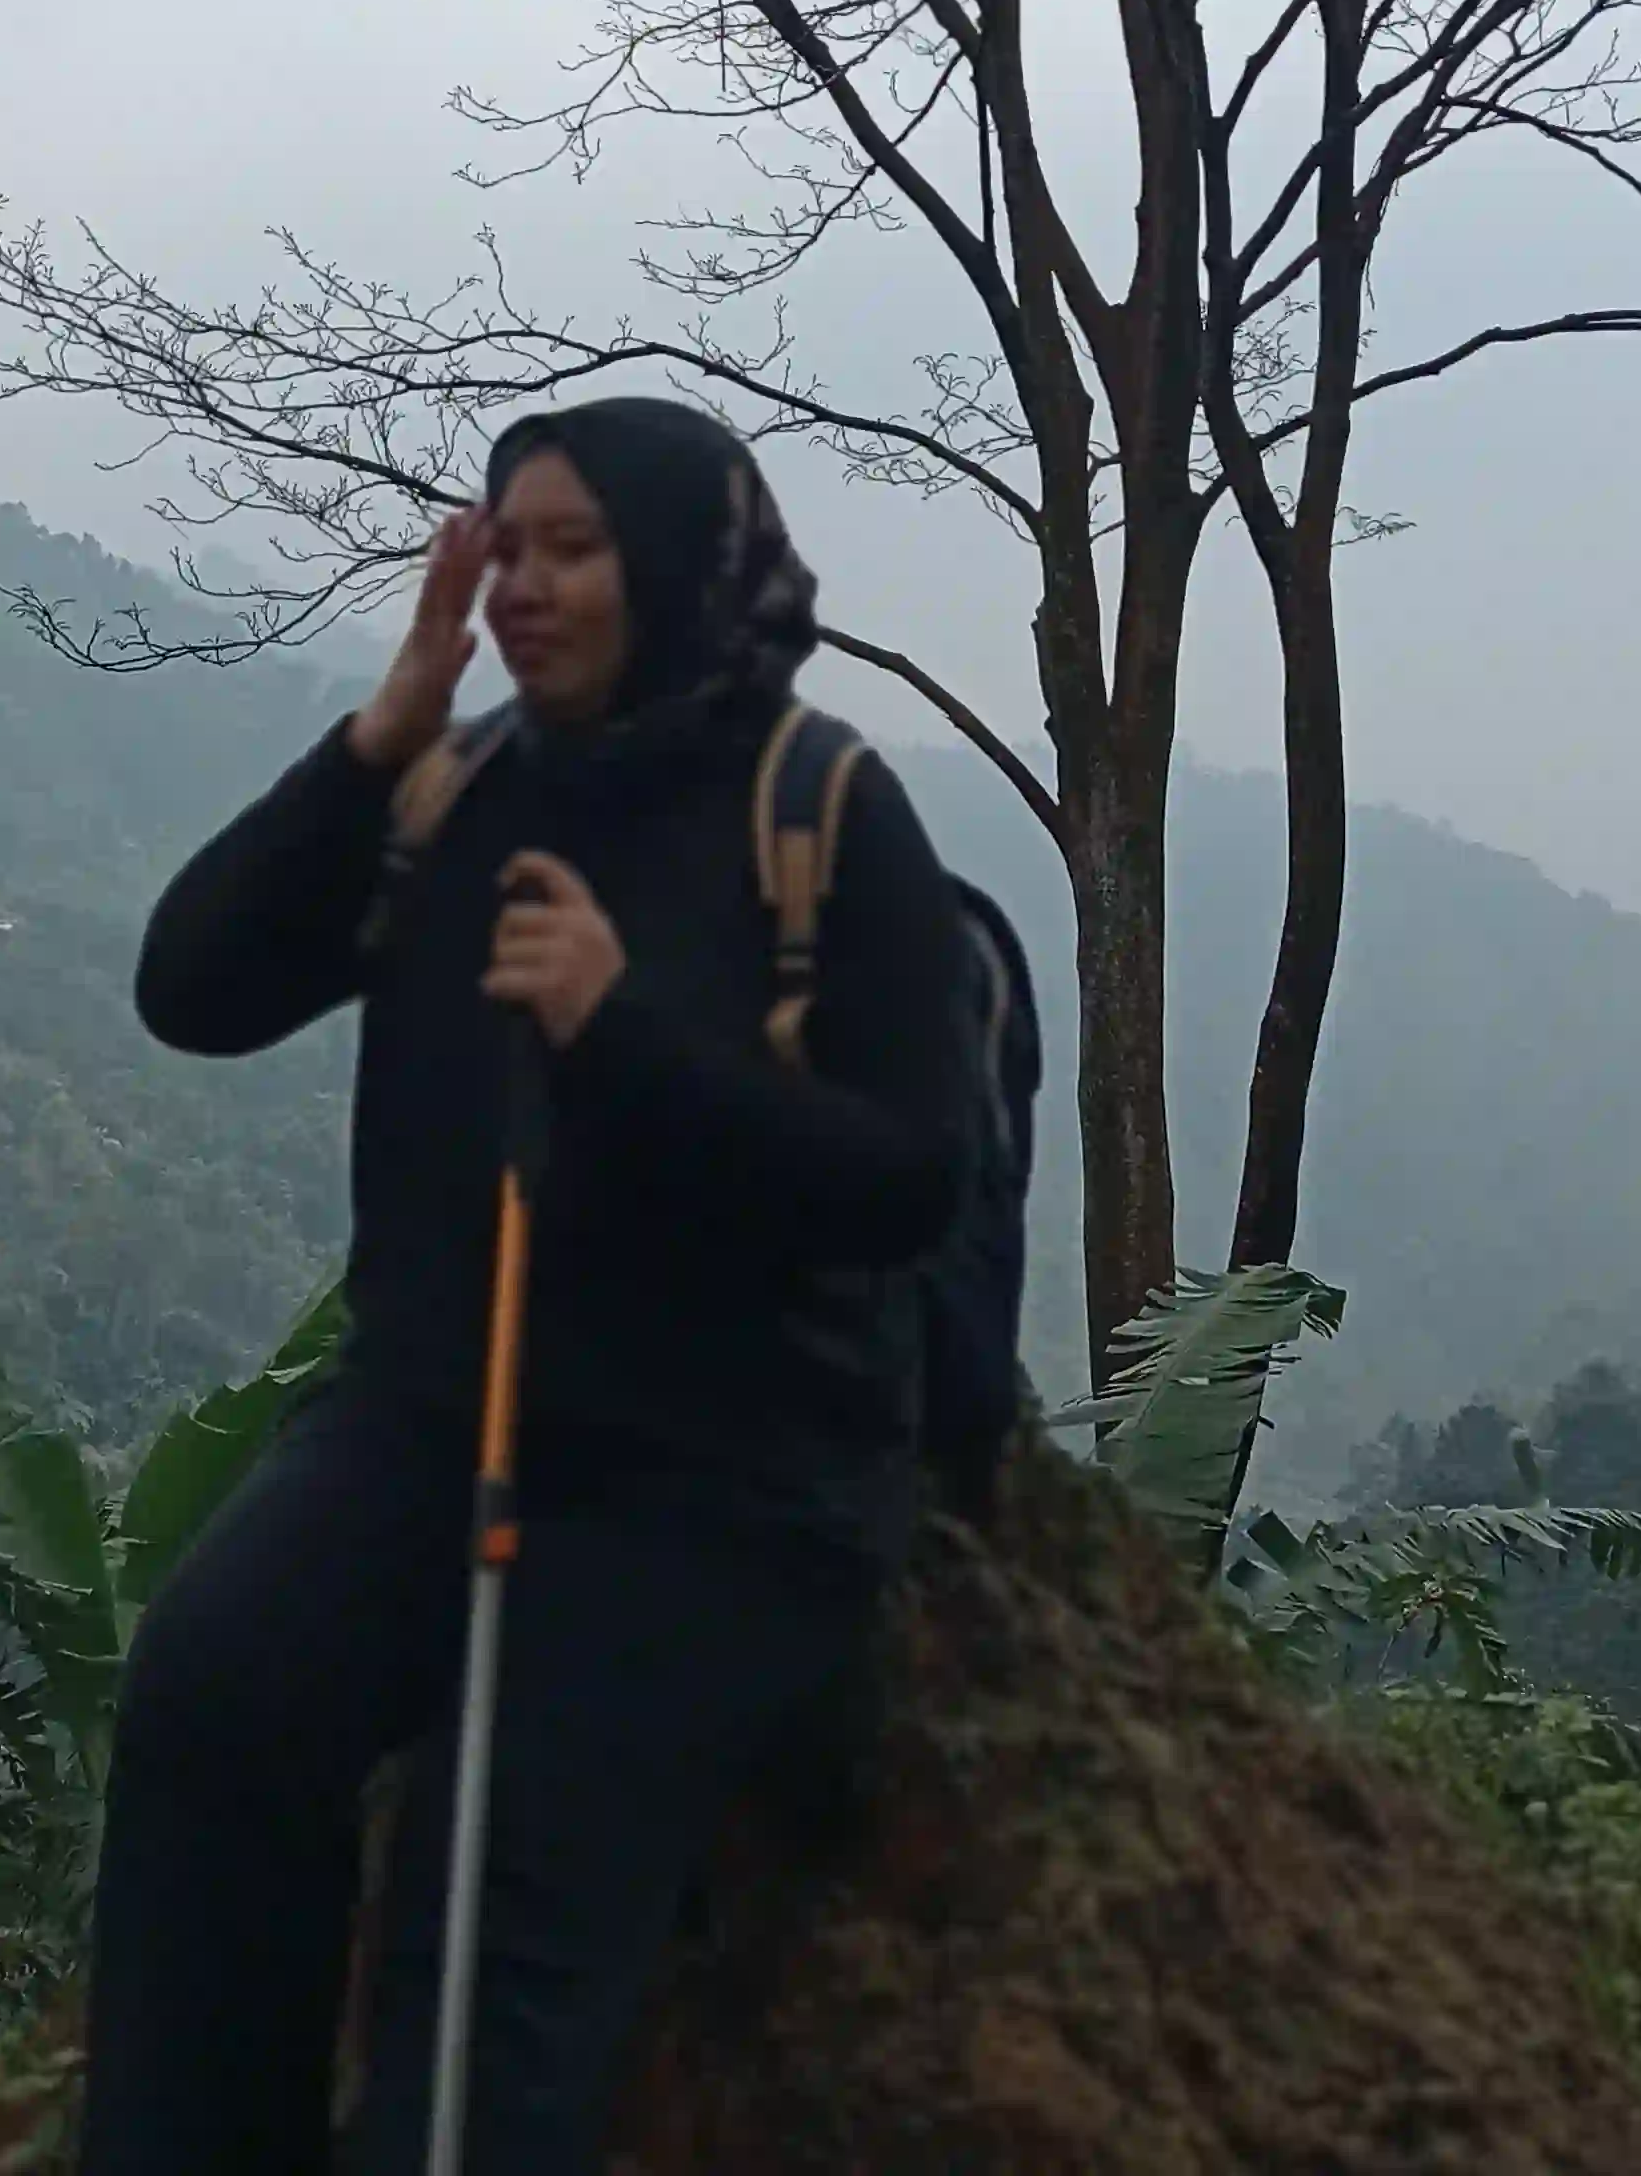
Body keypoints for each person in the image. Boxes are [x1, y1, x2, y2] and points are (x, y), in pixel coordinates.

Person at [79, 396, 972, 2176]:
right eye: (508, 551)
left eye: (575, 551)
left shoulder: (825, 815)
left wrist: (616, 1030)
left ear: (681, 567)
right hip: (429, 1413)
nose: (527, 592)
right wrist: (367, 745)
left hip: (716, 1477)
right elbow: (193, 988)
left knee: (485, 1948)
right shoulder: (456, 790)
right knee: (211, 1703)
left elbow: (905, 1179)